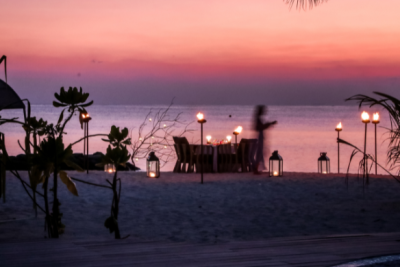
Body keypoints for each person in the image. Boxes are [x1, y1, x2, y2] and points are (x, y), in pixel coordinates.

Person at [253, 105, 277, 174]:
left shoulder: (258, 119)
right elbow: (259, 127)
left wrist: (268, 124)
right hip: (259, 136)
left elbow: (261, 127)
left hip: (260, 136)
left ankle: (257, 168)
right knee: (259, 152)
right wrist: (269, 124)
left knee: (261, 152)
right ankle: (256, 169)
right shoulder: (257, 119)